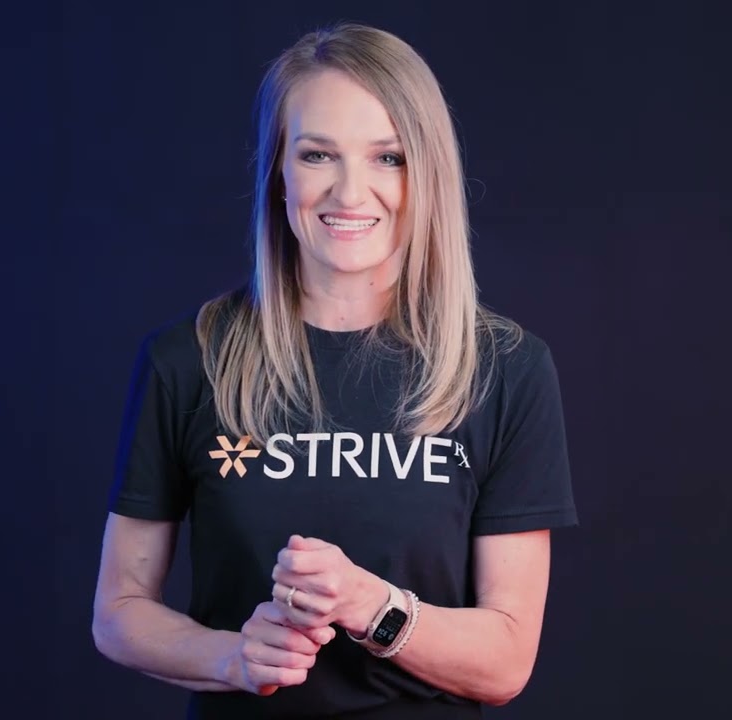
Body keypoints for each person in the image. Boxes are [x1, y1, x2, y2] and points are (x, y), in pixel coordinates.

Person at [92, 22, 577, 720]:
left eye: (388, 158)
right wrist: (232, 658)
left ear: (428, 175)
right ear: (279, 171)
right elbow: (119, 611)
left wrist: (370, 605)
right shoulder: (190, 359)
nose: (351, 193)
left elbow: (505, 661)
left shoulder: (505, 369)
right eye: (318, 154)